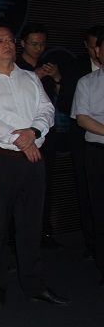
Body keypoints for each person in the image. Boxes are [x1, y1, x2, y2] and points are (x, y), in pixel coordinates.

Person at [0, 25, 69, 306]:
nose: (7, 44)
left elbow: (46, 110)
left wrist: (33, 133)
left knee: (31, 225)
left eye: (9, 40)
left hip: (33, 162)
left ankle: (34, 285)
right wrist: (24, 141)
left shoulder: (30, 78)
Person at [15, 23, 63, 249]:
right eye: (34, 44)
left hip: (45, 134)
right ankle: (17, 238)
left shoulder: (49, 65)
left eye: (42, 44)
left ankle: (44, 231)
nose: (38, 48)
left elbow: (62, 102)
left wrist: (57, 78)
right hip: (20, 136)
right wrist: (33, 76)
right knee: (18, 188)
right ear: (23, 43)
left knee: (45, 184)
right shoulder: (15, 67)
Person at [59, 25, 102, 261]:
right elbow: (76, 113)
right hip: (91, 146)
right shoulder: (83, 78)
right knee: (93, 199)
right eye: (95, 46)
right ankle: (95, 248)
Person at [72, 25, 104, 286]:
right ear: (98, 51)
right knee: (100, 211)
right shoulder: (87, 82)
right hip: (98, 154)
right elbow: (82, 118)